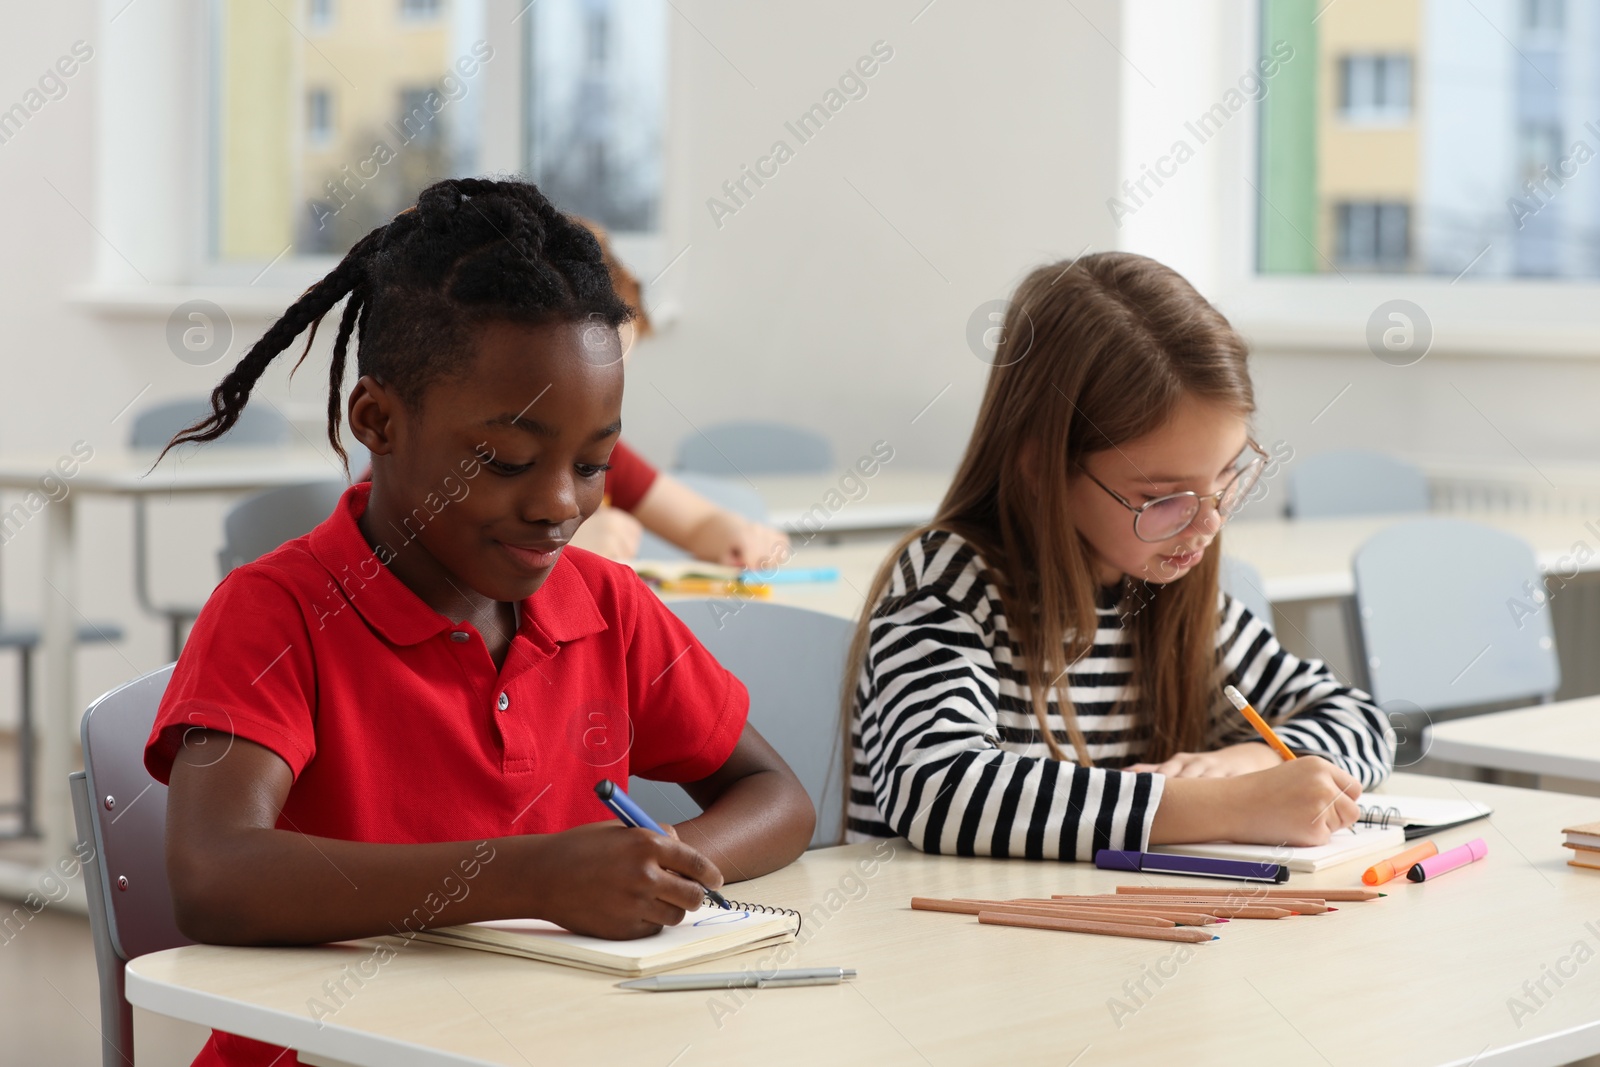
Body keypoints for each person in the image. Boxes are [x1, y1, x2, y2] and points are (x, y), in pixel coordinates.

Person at [145, 178, 815, 1067]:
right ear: (377, 420)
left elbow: (777, 795)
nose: (557, 504)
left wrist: (654, 869)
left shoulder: (607, 605)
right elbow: (214, 876)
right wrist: (533, 877)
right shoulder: (279, 612)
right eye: (505, 460)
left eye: (592, 464)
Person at [845, 251, 1394, 858]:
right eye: (1163, 498)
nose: (1208, 523)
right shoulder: (946, 586)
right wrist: (1233, 805)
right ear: (1042, 468)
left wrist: (1254, 760)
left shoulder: (1168, 592)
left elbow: (1363, 722)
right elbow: (938, 791)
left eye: (1226, 478)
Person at [567, 219, 792, 569]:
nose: (601, 401)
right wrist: (561, 550)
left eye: (617, 378)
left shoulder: (602, 454)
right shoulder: (481, 465)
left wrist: (735, 533)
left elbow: (699, 523)